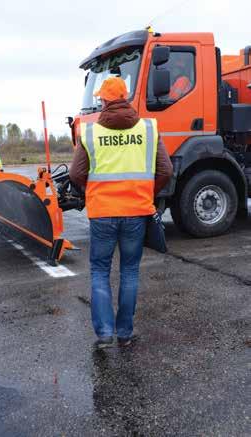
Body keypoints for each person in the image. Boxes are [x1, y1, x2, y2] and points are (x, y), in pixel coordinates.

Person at [69, 76, 173, 349]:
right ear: (125, 98)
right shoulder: (148, 129)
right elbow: (166, 171)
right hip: (136, 212)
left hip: (102, 212)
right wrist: (145, 194)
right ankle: (125, 333)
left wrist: (94, 191)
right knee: (129, 271)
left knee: (100, 271)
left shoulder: (90, 132)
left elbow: (76, 173)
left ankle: (104, 333)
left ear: (103, 100)